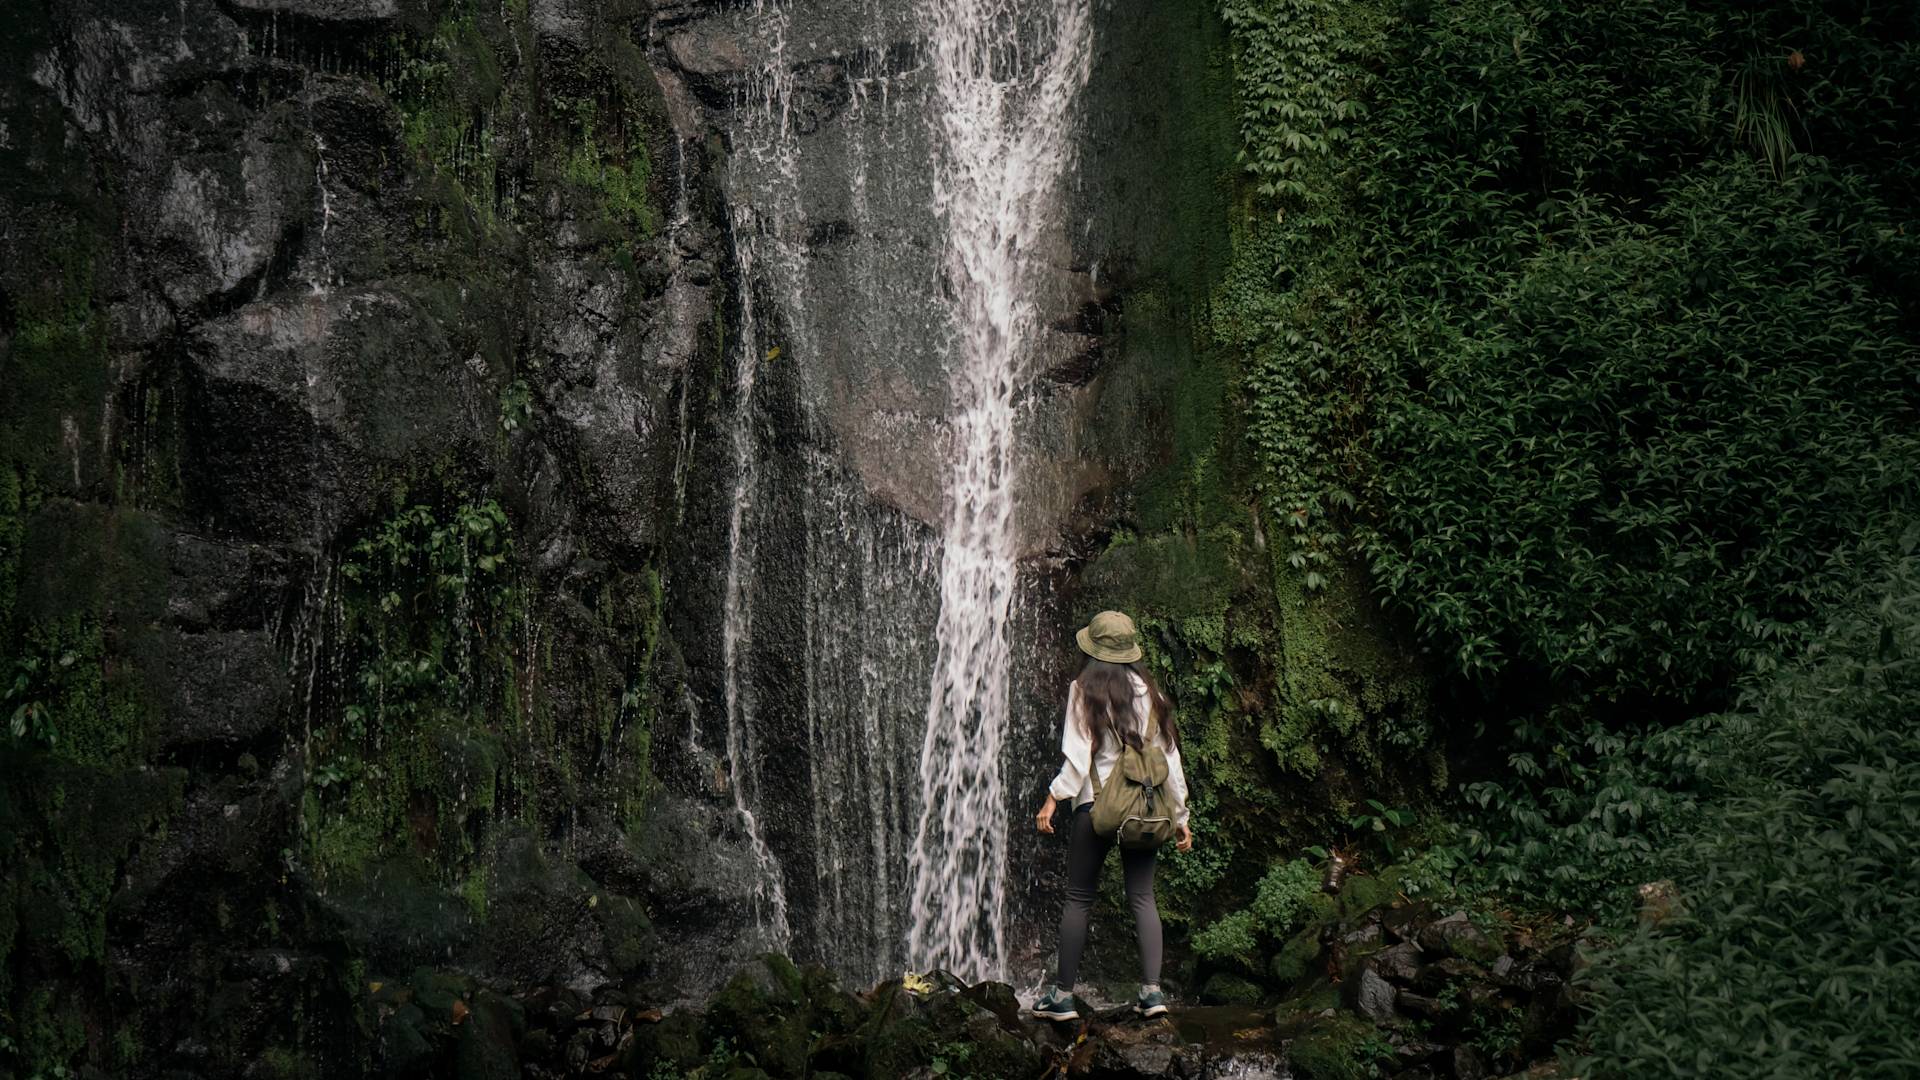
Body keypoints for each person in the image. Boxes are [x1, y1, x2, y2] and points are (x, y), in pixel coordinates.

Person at [1029, 610, 1193, 1021]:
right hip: (1145, 806)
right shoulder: (1150, 693)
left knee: (1079, 898)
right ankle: (1152, 994)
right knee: (1142, 896)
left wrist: (1053, 797)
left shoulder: (1083, 688)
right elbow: (1168, 758)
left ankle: (1062, 997)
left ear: (1095, 649)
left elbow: (1078, 754)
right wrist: (1180, 815)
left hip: (1096, 805)